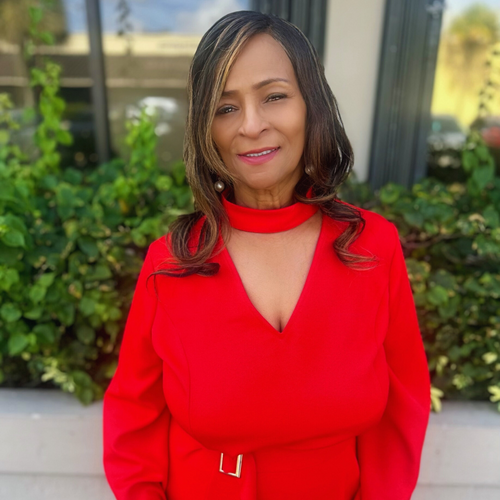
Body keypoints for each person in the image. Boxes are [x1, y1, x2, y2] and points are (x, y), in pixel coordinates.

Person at [102, 10, 431, 500]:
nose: (252, 125)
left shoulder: (372, 247)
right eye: (225, 107)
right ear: (204, 128)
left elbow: (402, 411)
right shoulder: (171, 263)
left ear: (311, 105)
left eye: (274, 96)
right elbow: (134, 415)